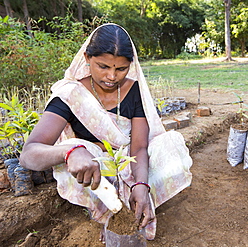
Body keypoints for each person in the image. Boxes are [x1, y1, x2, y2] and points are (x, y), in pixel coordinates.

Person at [19, 23, 193, 243]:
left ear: (131, 65)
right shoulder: (71, 94)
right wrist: (71, 151)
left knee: (170, 146)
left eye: (121, 69)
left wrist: (141, 185)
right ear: (87, 58)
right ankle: (106, 214)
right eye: (103, 66)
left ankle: (139, 202)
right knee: (87, 153)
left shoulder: (135, 91)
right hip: (96, 170)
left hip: (131, 160)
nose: (112, 76)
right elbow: (28, 154)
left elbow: (138, 146)